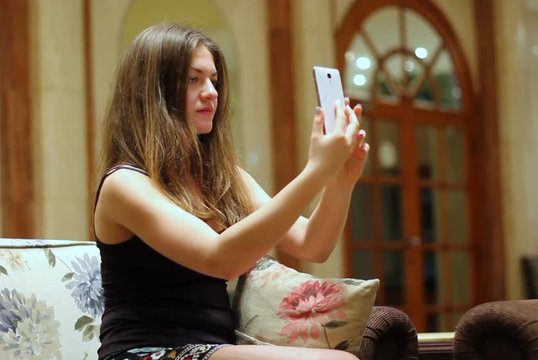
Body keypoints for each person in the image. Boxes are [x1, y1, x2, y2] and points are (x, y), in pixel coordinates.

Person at [94, 23, 369, 360]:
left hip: (212, 349)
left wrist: (341, 180)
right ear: (154, 92)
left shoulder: (224, 177)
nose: (211, 91)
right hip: (147, 352)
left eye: (214, 80)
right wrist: (316, 171)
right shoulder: (125, 184)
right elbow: (220, 259)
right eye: (194, 79)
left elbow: (313, 243)